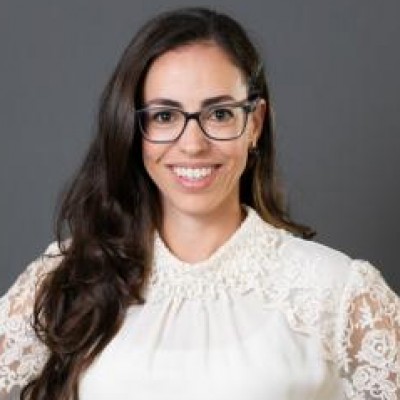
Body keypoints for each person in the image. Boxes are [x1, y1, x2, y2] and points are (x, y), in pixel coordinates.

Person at [0, 7, 399, 400]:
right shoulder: (70, 275)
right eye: (165, 116)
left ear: (255, 123)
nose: (192, 145)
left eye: (219, 113)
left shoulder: (336, 291)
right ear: (134, 128)